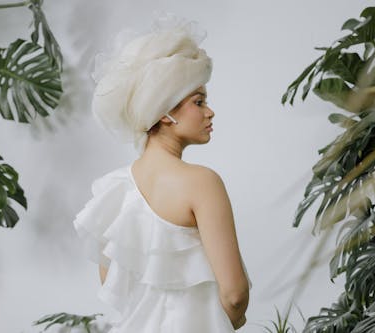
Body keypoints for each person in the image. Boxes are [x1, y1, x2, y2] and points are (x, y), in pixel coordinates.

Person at [73, 12, 252, 332]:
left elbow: (114, 288)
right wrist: (228, 322)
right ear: (166, 110)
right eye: (199, 101)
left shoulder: (111, 189)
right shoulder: (202, 183)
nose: (209, 112)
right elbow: (235, 293)